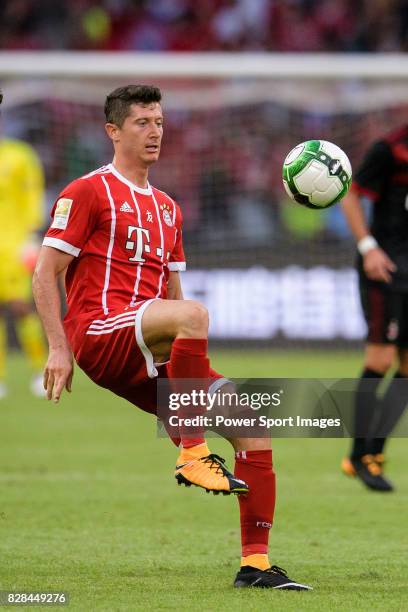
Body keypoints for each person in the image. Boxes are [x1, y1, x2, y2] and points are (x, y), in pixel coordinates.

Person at [33, 85, 311, 590]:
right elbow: (44, 272)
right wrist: (57, 346)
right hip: (100, 332)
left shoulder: (168, 208)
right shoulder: (87, 191)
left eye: (159, 121)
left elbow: (174, 295)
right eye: (141, 122)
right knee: (193, 315)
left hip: (153, 346)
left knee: (253, 428)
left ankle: (256, 565)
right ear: (113, 132)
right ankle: (191, 452)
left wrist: (196, 375)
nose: (154, 131)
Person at [341, 125, 408, 492]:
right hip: (385, 270)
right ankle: (356, 454)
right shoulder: (390, 148)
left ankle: (374, 455)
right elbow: (351, 195)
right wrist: (369, 248)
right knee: (380, 360)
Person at [0, 89, 47, 398]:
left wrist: (32, 236)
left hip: (14, 244)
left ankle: (41, 370)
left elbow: (34, 199)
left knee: (20, 308)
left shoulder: (20, 155)